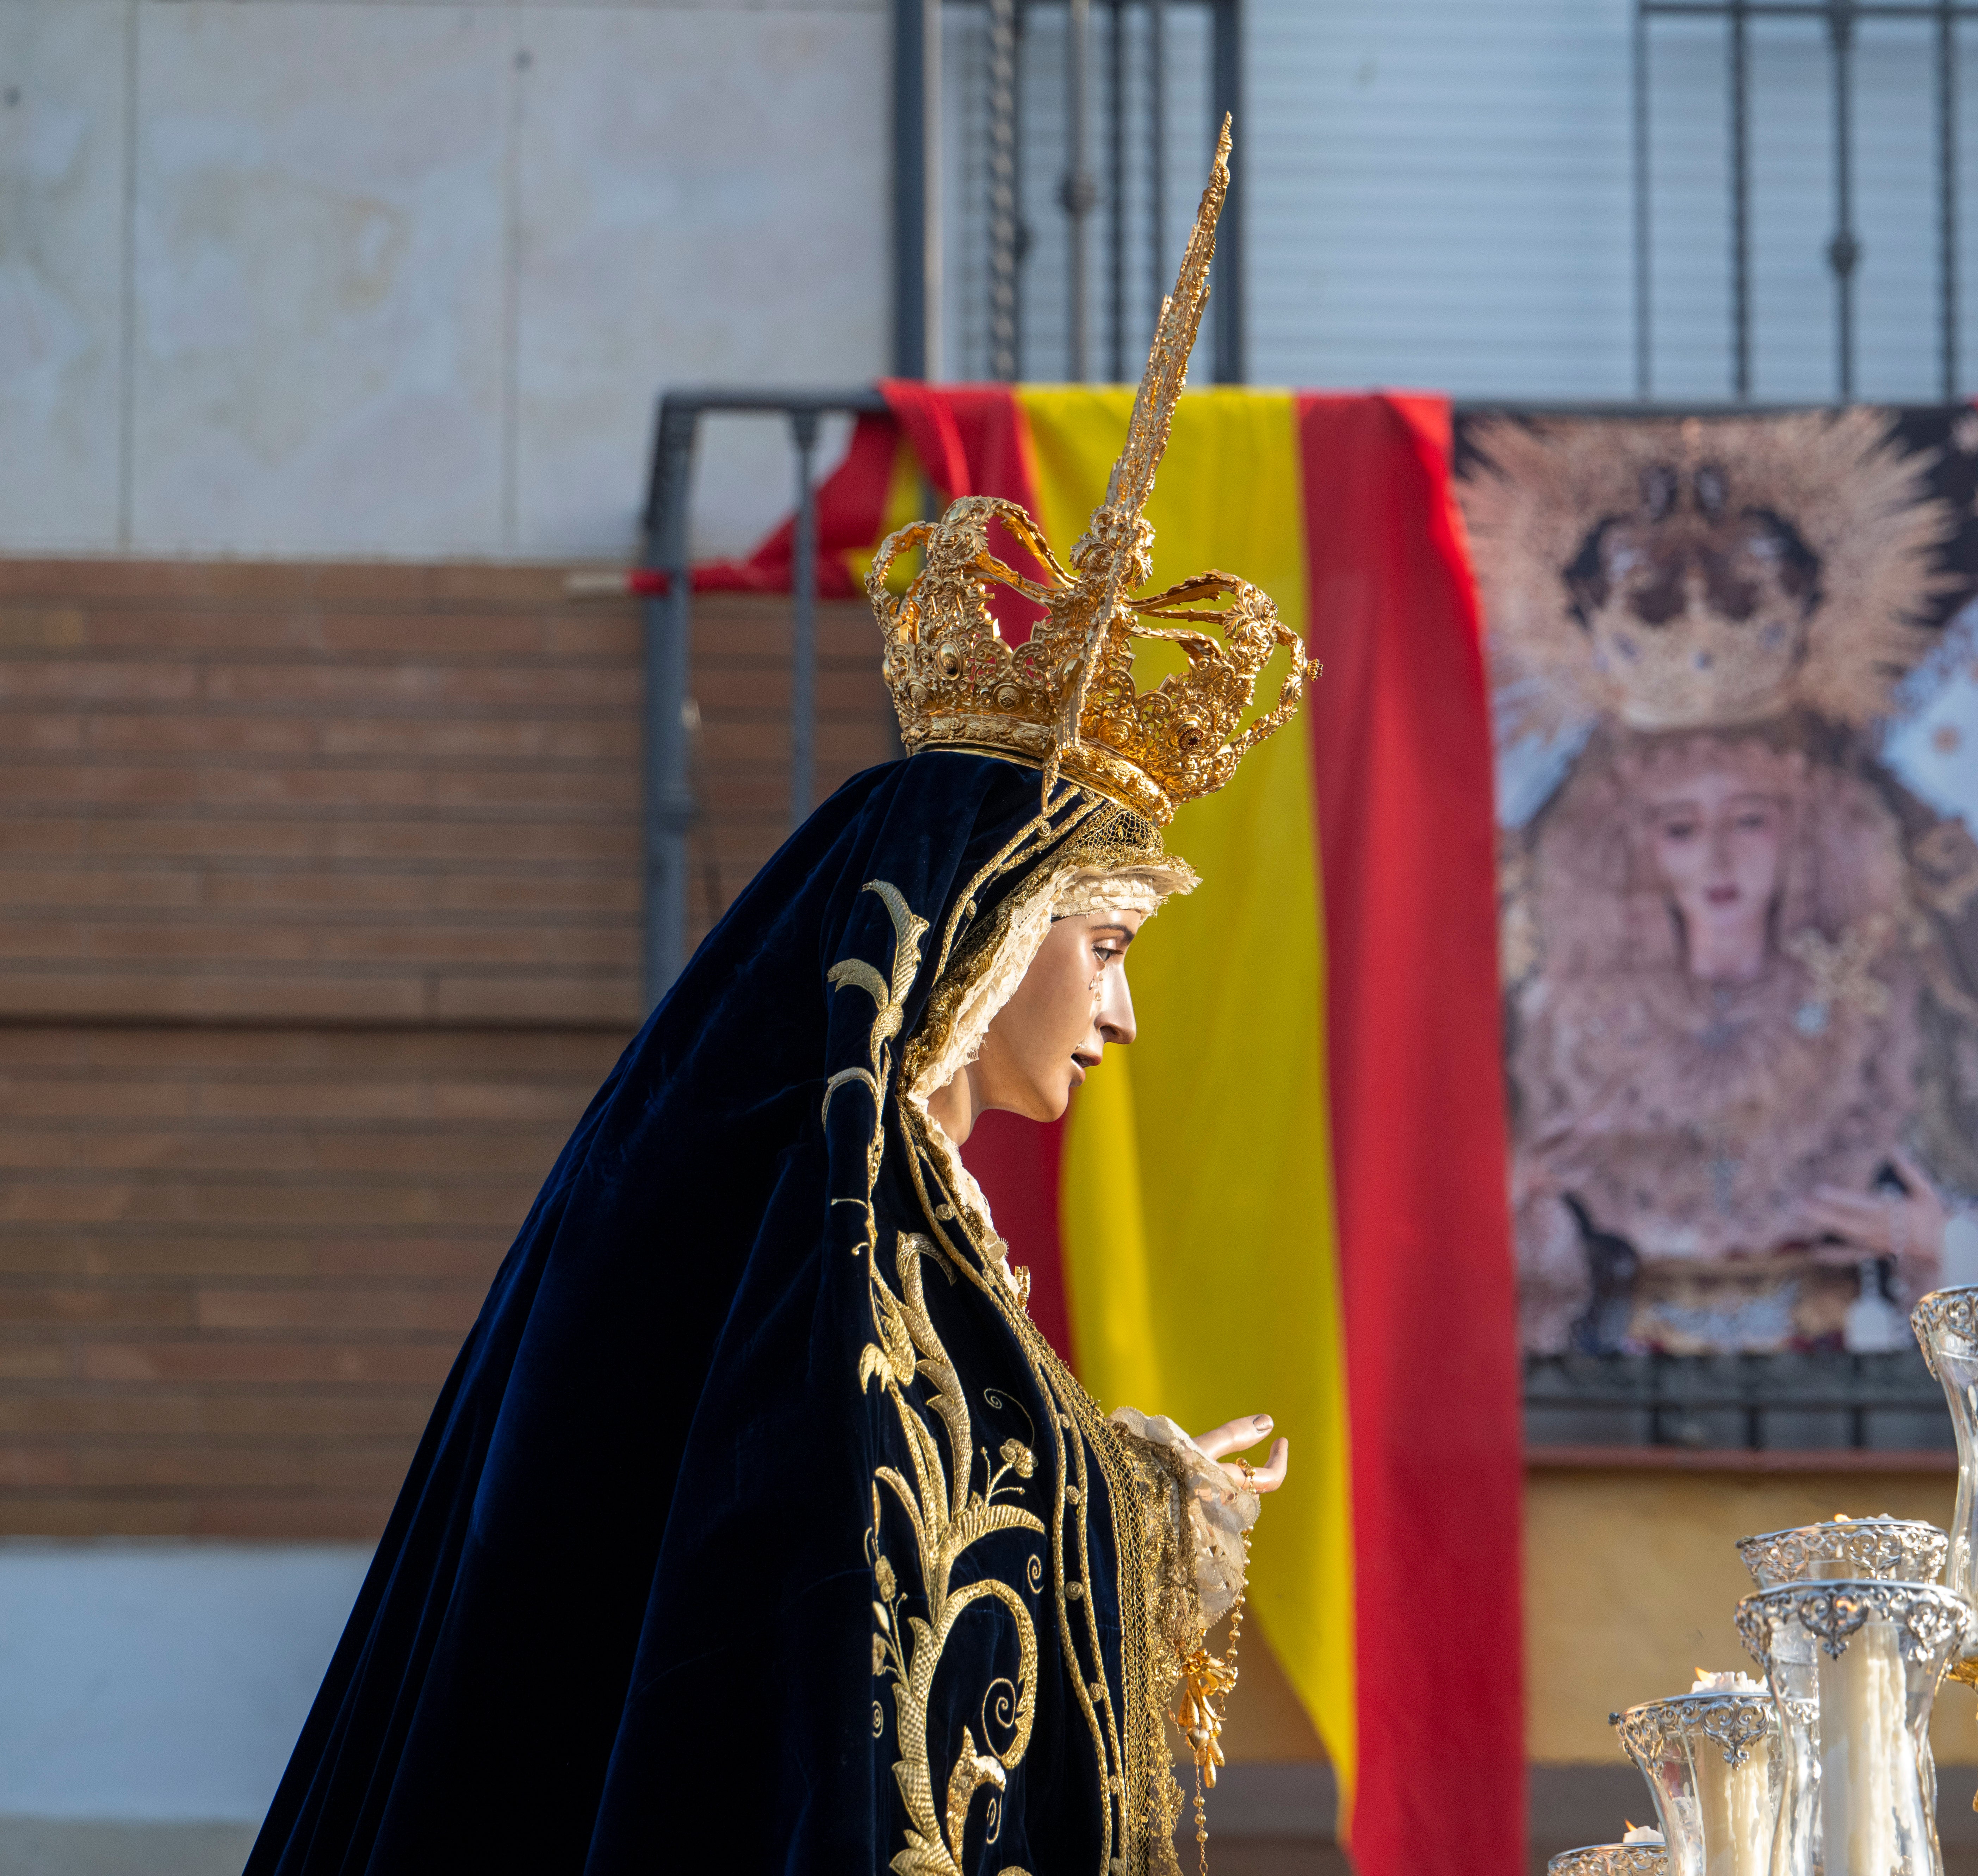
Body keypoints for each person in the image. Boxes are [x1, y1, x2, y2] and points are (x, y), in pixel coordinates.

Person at [248, 133, 1299, 1876]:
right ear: (986, 925)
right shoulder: (822, 1239)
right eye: (1107, 946)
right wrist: (1142, 1507)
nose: (1119, 1019)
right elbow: (833, 1615)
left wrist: (1130, 1487)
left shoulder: (869, 1220)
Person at [1466, 419, 1978, 1356]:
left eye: (1754, 823)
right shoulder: (1532, 919)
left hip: (1861, 1374)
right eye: (1681, 831)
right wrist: (1514, 1213)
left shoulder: (1909, 893)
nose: (1720, 862)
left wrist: (1953, 1247)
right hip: (1605, 1381)